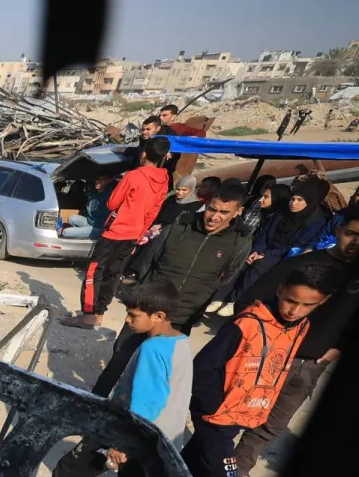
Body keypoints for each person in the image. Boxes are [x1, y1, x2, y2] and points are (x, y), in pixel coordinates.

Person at [23, 280, 192, 477]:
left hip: (128, 429)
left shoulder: (153, 348)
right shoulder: (181, 341)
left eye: (133, 316)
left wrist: (120, 442)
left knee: (75, 464)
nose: (127, 321)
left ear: (158, 316)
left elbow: (147, 402)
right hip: (160, 439)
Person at [183, 263, 333, 477]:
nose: (294, 310)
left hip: (246, 413)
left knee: (194, 463)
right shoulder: (247, 324)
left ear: (322, 303)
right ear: (279, 291)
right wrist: (213, 408)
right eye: (290, 300)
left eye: (306, 305)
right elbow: (203, 368)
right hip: (219, 415)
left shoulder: (301, 326)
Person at [228, 209, 359, 477]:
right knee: (233, 415)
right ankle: (200, 473)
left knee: (272, 424)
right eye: (351, 233)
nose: (354, 242)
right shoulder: (304, 263)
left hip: (310, 366)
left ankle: (238, 470)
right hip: (267, 358)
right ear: (338, 230)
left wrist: (333, 353)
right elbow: (248, 302)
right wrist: (273, 338)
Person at [61, 136, 171, 329]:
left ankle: (88, 315)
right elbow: (154, 211)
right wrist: (140, 232)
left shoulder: (134, 176)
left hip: (115, 232)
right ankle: (99, 313)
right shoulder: (164, 180)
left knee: (93, 272)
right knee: (113, 274)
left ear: (144, 153)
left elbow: (112, 203)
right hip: (133, 234)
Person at [126, 181, 250, 333]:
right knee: (122, 355)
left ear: (238, 211)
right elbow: (149, 260)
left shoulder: (239, 242)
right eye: (211, 209)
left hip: (184, 316)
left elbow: (227, 276)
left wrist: (200, 295)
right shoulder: (181, 225)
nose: (214, 217)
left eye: (224, 212)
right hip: (147, 307)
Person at [224, 176, 330, 303]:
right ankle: (222, 298)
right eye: (293, 198)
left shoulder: (315, 221)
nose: (294, 203)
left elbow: (298, 245)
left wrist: (265, 254)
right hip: (266, 249)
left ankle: (235, 300)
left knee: (259, 266)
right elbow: (265, 233)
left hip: (285, 255)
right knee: (243, 260)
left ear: (309, 202)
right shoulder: (282, 213)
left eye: (299, 200)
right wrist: (257, 250)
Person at [61, 174, 115, 240]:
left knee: (65, 232)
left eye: (102, 179)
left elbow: (102, 220)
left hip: (99, 228)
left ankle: (85, 233)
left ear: (108, 181)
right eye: (98, 179)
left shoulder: (109, 196)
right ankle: (82, 232)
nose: (98, 181)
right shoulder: (94, 194)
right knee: (71, 218)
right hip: (90, 222)